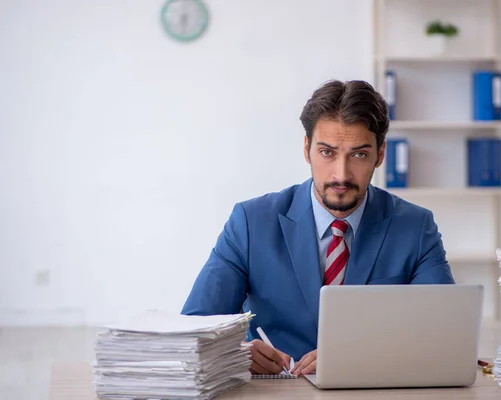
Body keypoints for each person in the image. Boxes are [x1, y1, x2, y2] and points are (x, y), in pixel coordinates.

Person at [181, 79, 455, 376]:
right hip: (275, 392)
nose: (341, 174)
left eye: (359, 154)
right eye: (327, 153)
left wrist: (357, 357)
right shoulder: (250, 222)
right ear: (307, 149)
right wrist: (236, 353)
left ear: (380, 155)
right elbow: (194, 328)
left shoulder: (416, 227)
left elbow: (444, 337)